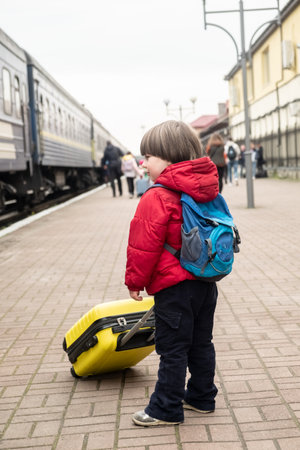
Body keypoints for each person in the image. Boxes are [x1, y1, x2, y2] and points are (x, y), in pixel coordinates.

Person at [125, 120, 219, 426]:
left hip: (174, 286)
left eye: (148, 157)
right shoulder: (208, 190)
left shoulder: (157, 196)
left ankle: (165, 408)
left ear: (168, 157)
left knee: (173, 348)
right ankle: (202, 398)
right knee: (201, 343)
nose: (144, 163)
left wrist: (135, 281)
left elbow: (144, 246)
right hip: (206, 282)